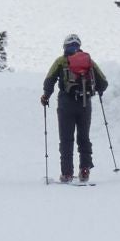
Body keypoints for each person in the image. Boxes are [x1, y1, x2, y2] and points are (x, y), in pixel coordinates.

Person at [42, 32, 109, 182]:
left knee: (66, 139)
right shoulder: (89, 61)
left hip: (66, 104)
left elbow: (49, 80)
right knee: (83, 137)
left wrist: (46, 96)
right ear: (79, 46)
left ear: (65, 47)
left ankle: (66, 173)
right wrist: (98, 90)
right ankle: (84, 170)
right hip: (85, 104)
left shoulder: (60, 61)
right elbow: (103, 82)